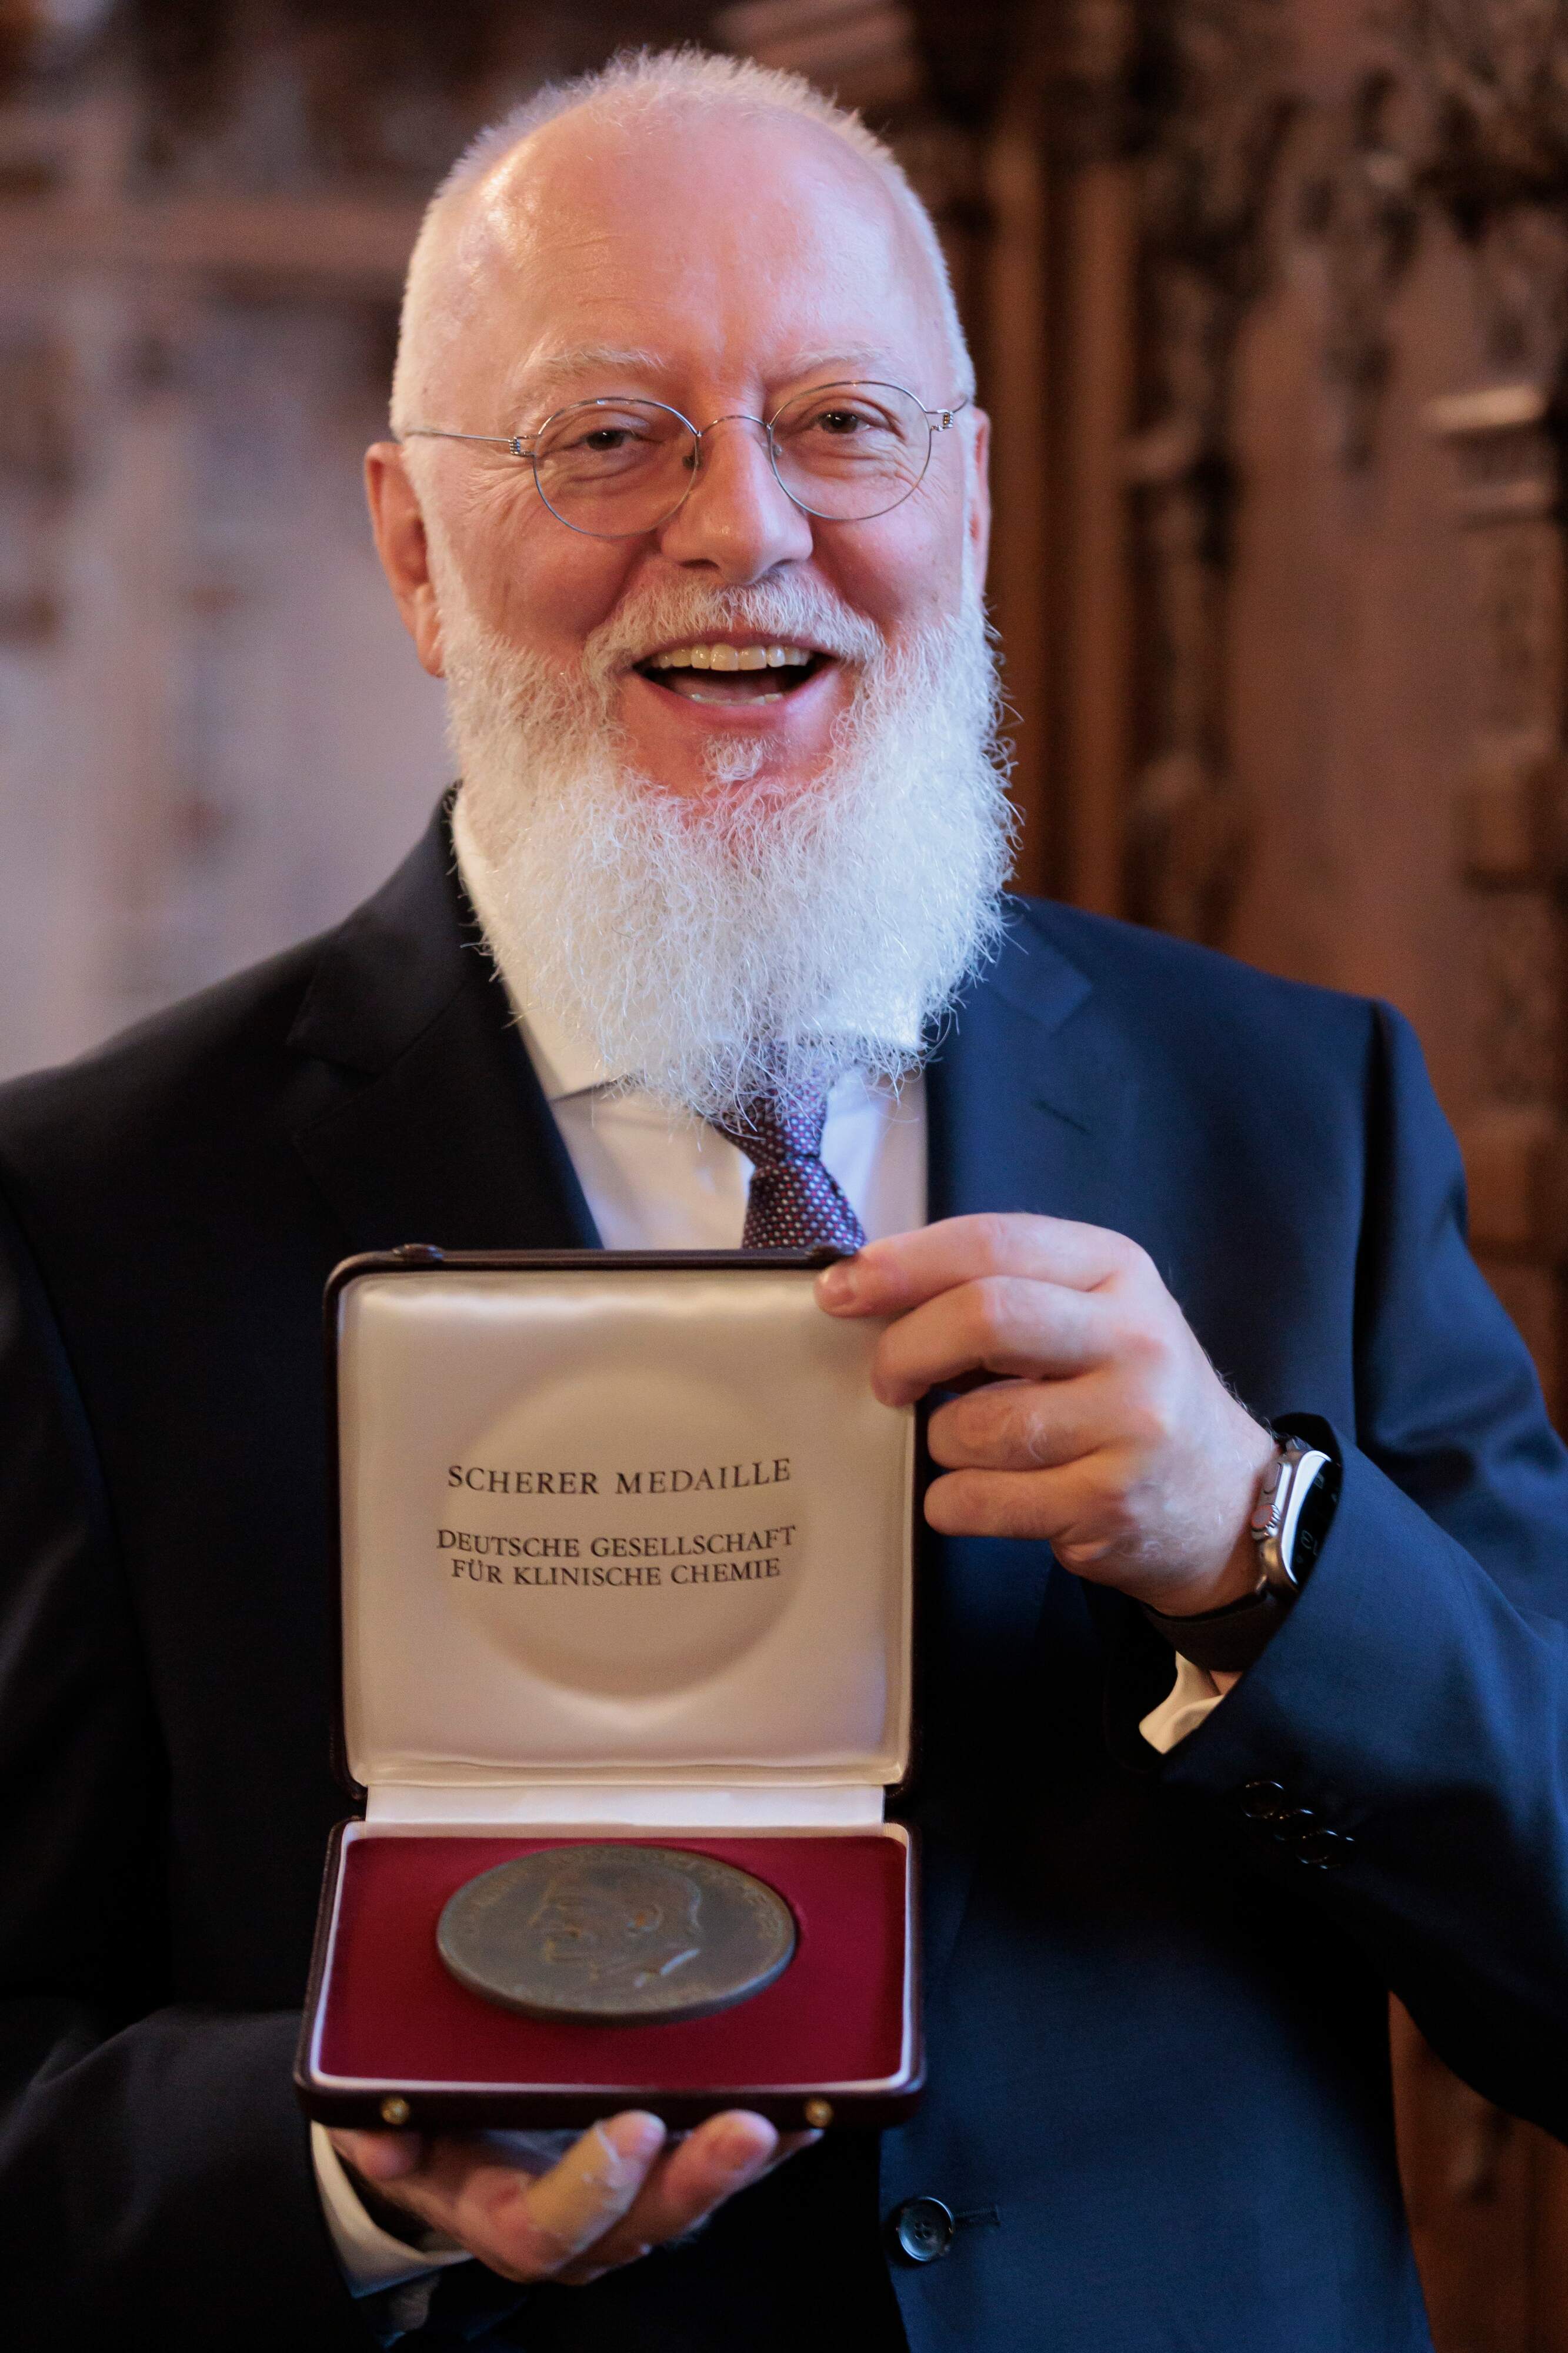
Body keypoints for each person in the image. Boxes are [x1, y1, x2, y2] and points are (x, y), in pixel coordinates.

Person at [2, 45, 1567, 2353]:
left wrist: (1260, 1554)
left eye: (842, 423)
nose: (744, 526)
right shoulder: (88, 1219)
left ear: (971, 498)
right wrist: (339, 2169)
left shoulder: (1290, 1115)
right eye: (607, 435)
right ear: (414, 547)